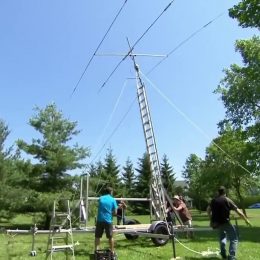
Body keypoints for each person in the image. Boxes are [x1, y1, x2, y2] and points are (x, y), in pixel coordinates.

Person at [207, 186, 251, 260]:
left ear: (218, 192)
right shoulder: (227, 200)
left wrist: (211, 219)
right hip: (225, 222)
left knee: (222, 237)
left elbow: (208, 209)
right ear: (225, 192)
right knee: (234, 239)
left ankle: (223, 253)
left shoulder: (213, 200)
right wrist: (246, 220)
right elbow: (238, 211)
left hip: (216, 223)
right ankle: (232, 257)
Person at [95, 187, 118, 256]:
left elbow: (99, 203)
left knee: (97, 236)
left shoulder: (101, 198)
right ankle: (112, 251)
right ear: (111, 192)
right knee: (110, 237)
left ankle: (96, 251)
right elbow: (115, 212)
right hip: (108, 220)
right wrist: (111, 212)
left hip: (99, 220)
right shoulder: (113, 199)